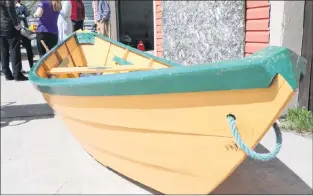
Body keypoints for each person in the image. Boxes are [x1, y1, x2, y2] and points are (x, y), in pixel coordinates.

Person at [0, 0, 28, 81]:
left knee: (3, 51)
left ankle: (7, 74)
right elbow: (10, 9)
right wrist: (16, 24)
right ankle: (17, 74)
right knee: (14, 49)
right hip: (9, 27)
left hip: (1, 27)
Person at [15, 0, 34, 69]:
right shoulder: (9, 7)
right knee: (16, 50)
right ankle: (19, 68)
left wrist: (19, 6)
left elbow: (27, 13)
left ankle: (31, 66)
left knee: (29, 48)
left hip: (24, 31)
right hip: (15, 31)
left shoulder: (22, 6)